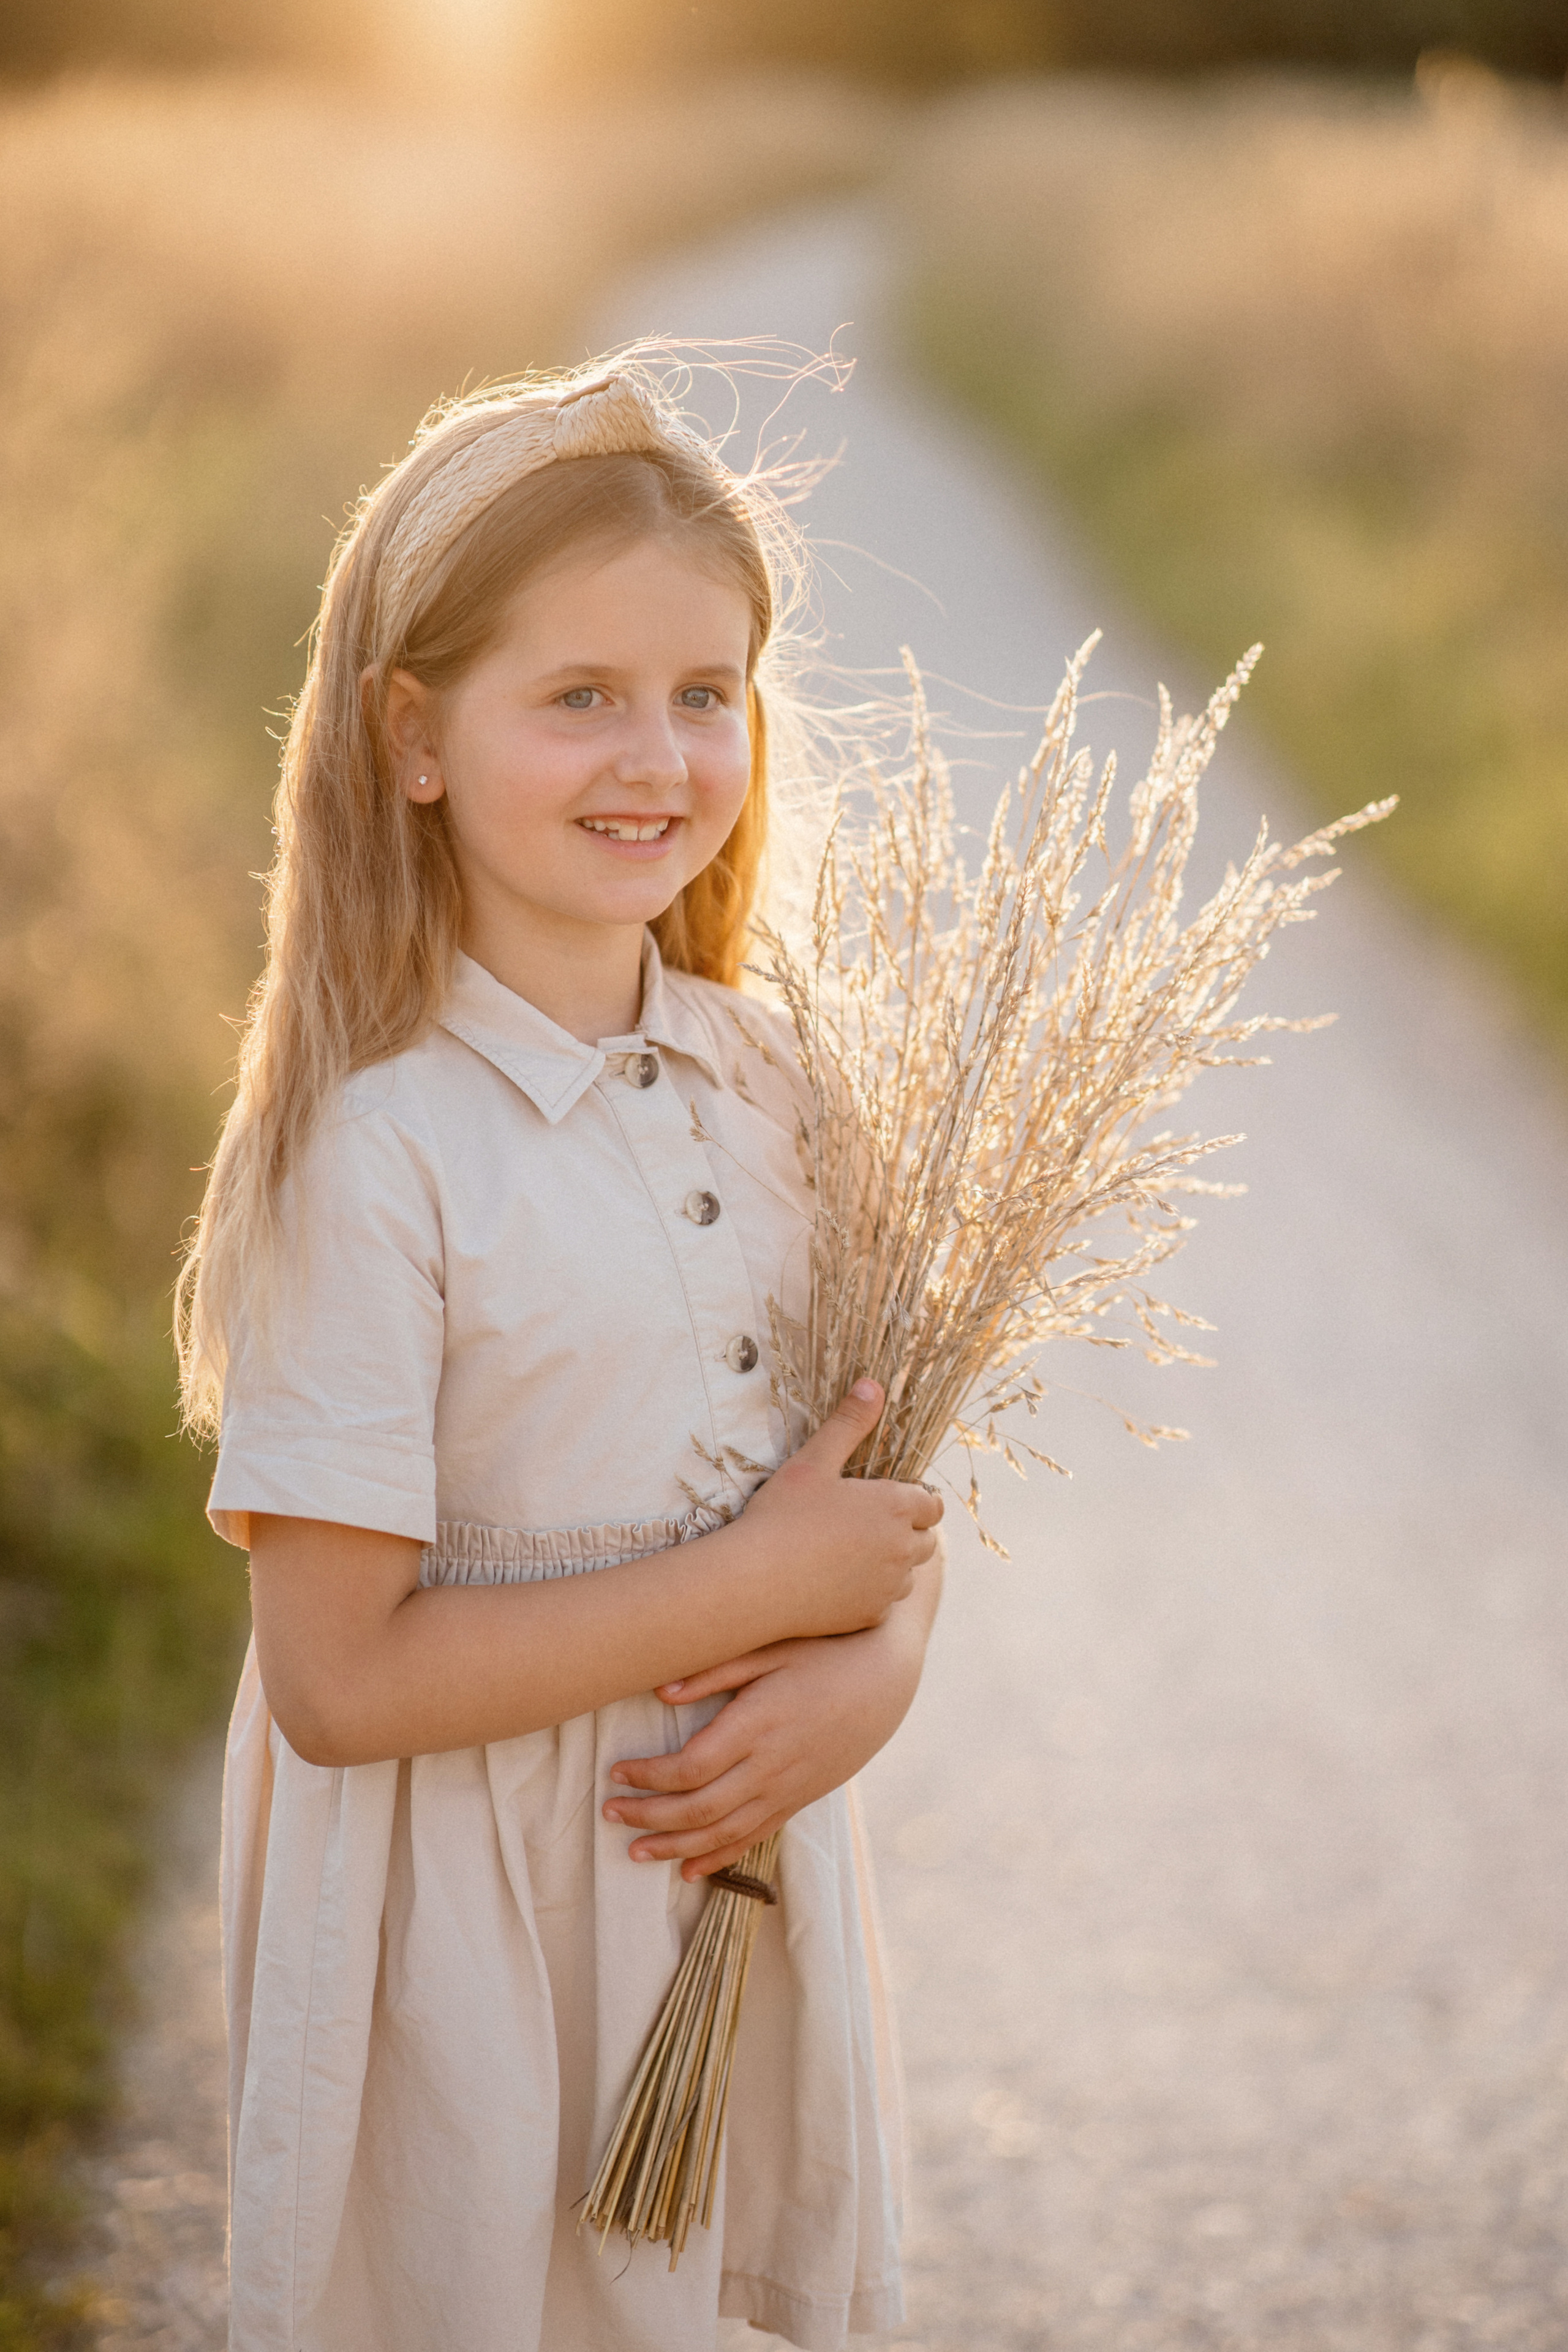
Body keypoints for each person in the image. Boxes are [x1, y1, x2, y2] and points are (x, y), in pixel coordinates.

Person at [177, 358, 944, 2352]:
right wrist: (752, 1592)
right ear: (412, 737)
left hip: (725, 1884)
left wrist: (874, 1666)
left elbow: (866, 1500)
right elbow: (337, 1686)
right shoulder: (379, 1155)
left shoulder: (776, 1086)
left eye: (707, 693)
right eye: (580, 695)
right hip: (477, 1942)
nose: (660, 755)